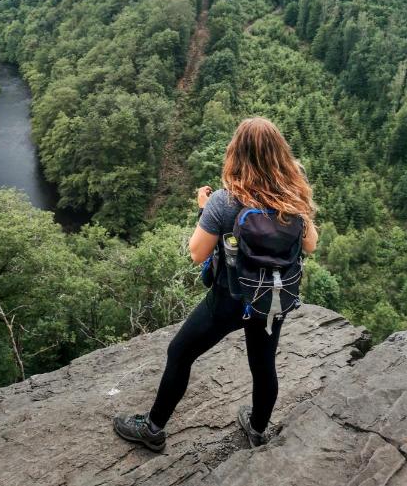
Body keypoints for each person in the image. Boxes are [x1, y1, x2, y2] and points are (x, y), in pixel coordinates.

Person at [113, 116, 318, 452]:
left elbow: (197, 253)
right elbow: (309, 245)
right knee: (263, 366)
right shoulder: (293, 197)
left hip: (230, 298)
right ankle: (257, 429)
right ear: (280, 153)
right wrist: (300, 208)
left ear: (235, 153)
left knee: (179, 352)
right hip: (272, 299)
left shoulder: (224, 201)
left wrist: (204, 211)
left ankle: (153, 429)